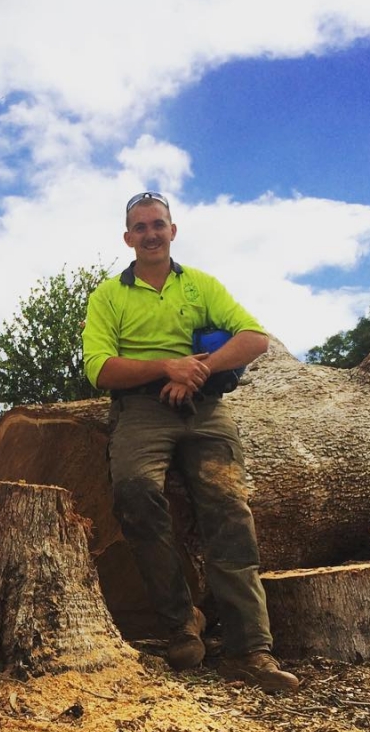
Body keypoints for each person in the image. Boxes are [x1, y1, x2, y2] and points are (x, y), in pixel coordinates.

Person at [82, 191, 298, 693]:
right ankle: (181, 623)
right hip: (141, 410)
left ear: (173, 231)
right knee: (134, 491)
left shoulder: (201, 284)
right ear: (127, 238)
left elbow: (253, 337)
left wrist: (194, 370)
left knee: (229, 506)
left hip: (204, 409)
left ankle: (250, 649)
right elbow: (100, 368)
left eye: (159, 224)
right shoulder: (108, 296)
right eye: (140, 226)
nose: (151, 233)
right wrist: (165, 367)